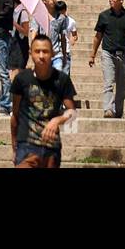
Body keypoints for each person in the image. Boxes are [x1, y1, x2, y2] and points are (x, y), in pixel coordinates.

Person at [11, 36, 77, 168]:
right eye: (37, 51)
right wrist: (14, 147)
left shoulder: (62, 80)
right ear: (31, 54)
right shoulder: (21, 79)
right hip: (26, 146)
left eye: (45, 51)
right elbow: (15, 115)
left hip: (51, 147)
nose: (41, 56)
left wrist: (57, 120)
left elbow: (72, 114)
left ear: (52, 53)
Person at [89, 0, 125, 119]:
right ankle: (108, 109)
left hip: (124, 54)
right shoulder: (104, 16)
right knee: (108, 83)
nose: (111, 0)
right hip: (108, 53)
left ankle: (118, 111)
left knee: (122, 86)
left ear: (121, 0)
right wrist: (92, 55)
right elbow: (98, 36)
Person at [50, 0, 78, 76]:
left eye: (62, 11)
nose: (61, 14)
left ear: (65, 10)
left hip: (66, 50)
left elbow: (74, 34)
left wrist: (73, 39)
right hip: (57, 51)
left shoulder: (71, 21)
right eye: (59, 12)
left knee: (65, 76)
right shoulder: (54, 20)